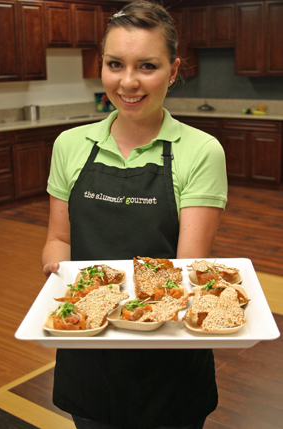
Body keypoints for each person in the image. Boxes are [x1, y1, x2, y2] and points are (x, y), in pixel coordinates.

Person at [42, 1, 228, 428]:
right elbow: (59, 239)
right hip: (86, 343)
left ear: (174, 70)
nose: (128, 82)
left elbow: (186, 269)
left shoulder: (201, 151)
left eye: (147, 66)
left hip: (167, 354)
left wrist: (128, 306)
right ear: (101, 66)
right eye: (115, 64)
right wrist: (57, 268)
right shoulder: (70, 145)